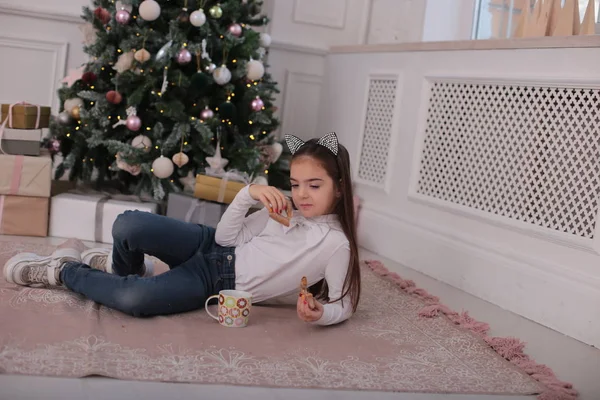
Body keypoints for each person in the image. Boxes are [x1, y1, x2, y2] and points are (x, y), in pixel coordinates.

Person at [3, 132, 361, 325]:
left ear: (340, 187)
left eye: (314, 186)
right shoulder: (282, 208)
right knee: (128, 223)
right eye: (296, 184)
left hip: (218, 281)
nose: (301, 194)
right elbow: (224, 238)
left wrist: (321, 314)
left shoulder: (336, 244)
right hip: (209, 244)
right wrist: (248, 194)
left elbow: (343, 304)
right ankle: (121, 269)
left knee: (136, 300)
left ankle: (65, 271)